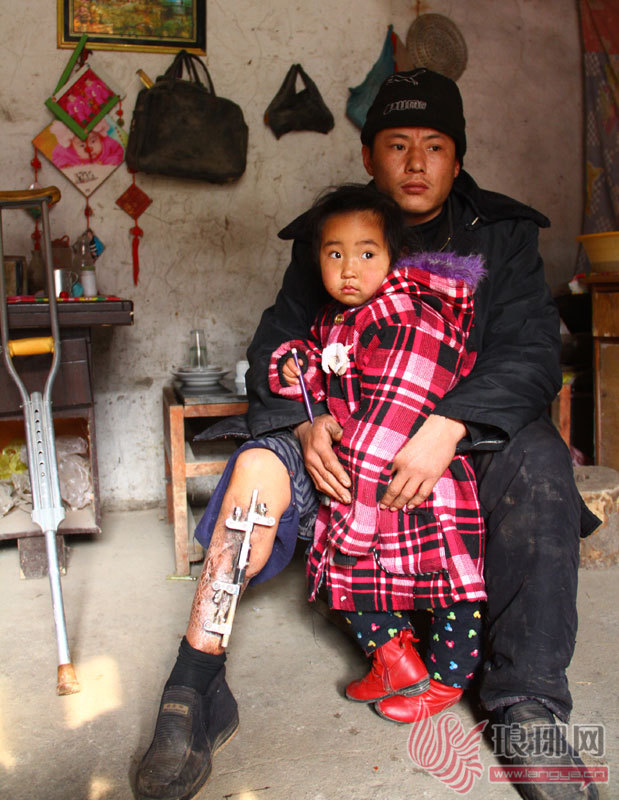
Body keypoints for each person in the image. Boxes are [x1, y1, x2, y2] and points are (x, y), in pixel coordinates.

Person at [135, 69, 600, 800]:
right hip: (344, 429)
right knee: (256, 470)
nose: (415, 163)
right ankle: (195, 685)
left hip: (461, 432)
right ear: (367, 155)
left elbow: (530, 353)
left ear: (457, 157)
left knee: (540, 462)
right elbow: (277, 341)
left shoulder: (501, 234)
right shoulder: (333, 232)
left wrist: (448, 424)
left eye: (434, 146)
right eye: (396, 145)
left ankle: (525, 702)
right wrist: (301, 421)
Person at [268, 183, 488, 719]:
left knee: (447, 587)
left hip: (414, 484)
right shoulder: (338, 317)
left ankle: (448, 680)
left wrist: (354, 516)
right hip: (360, 478)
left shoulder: (407, 320)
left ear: (394, 256)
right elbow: (323, 362)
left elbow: (390, 421)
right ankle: (395, 663)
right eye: (334, 254)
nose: (349, 269)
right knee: (356, 581)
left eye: (367, 254)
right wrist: (295, 364)